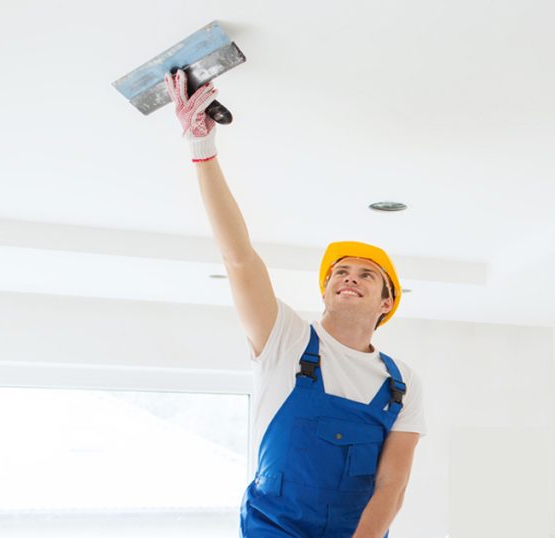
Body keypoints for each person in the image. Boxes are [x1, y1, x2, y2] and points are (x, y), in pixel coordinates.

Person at [165, 71, 426, 538]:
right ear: (324, 290)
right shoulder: (284, 338)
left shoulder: (399, 383)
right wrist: (201, 151)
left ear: (387, 302)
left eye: (367, 274)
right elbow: (240, 259)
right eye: (340, 273)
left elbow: (392, 483)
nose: (350, 278)